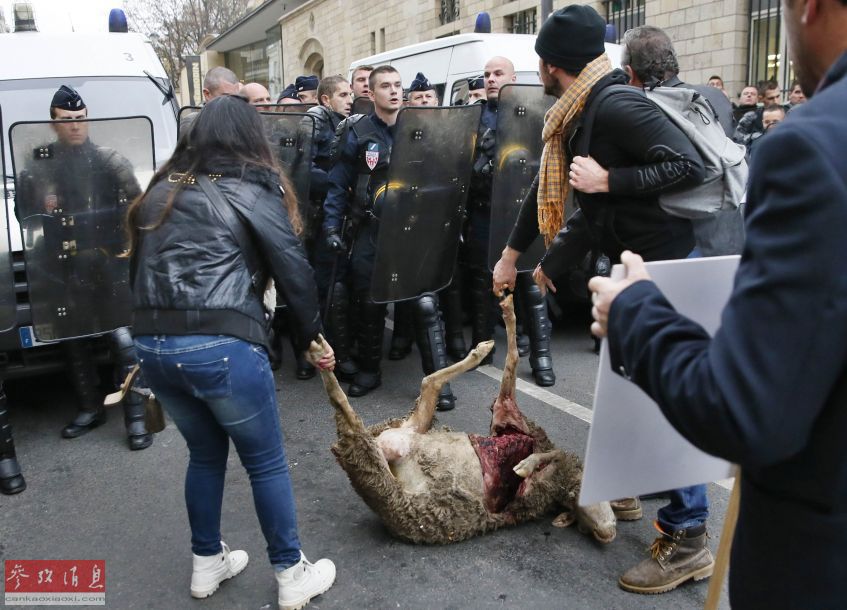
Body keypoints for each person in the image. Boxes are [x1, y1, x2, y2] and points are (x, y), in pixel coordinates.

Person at [588, 1, 847, 605]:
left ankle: (684, 532)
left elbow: (746, 411)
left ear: (811, 8)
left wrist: (634, 311)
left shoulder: (814, 148)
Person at [127, 95, 337, 609]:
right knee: (264, 462)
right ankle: (291, 573)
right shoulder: (252, 188)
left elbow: (135, 272)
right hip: (222, 342)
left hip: (154, 345)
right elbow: (295, 273)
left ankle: (206, 564)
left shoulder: (159, 191)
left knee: (203, 454)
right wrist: (312, 337)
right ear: (251, 138)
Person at [15, 85, 152, 451]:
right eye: (67, 121)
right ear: (54, 123)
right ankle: (90, 408)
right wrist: (37, 196)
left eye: (80, 119)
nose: (75, 126)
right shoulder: (40, 162)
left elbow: (137, 208)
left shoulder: (109, 160)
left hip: (107, 261)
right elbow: (23, 215)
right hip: (63, 264)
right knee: (73, 339)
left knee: (123, 340)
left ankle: (136, 414)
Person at [469, 55, 557, 385]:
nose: (491, 79)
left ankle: (542, 356)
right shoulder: (474, 118)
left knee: (534, 285)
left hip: (524, 211)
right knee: (484, 283)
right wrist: (481, 162)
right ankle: (483, 346)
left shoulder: (535, 112)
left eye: (498, 73)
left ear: (513, 77)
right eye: (487, 74)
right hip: (485, 212)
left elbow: (546, 162)